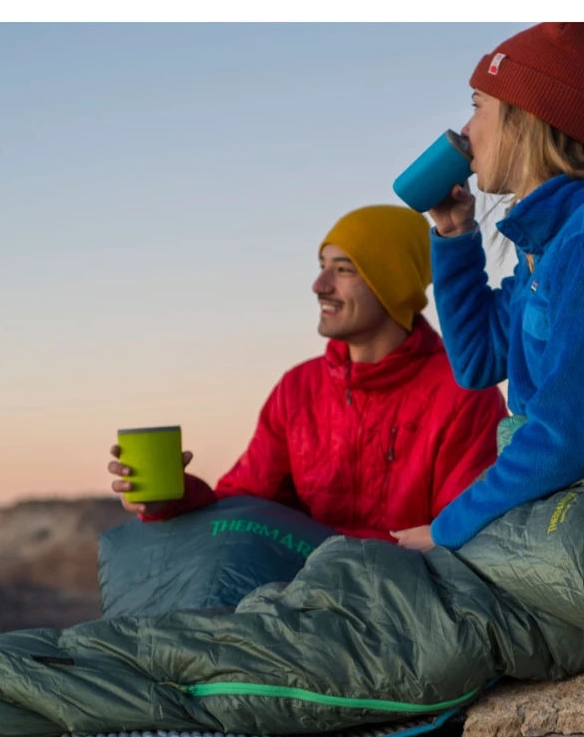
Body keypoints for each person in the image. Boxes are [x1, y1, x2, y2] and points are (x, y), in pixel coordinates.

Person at [396, 23, 584, 573]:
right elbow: (476, 361)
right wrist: (454, 234)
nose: (465, 130)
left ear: (524, 117)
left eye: (478, 105)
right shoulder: (549, 242)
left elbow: (564, 439)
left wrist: (445, 530)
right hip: (577, 523)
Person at [109, 205, 507, 539]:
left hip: (410, 601)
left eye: (344, 269)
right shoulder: (298, 390)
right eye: (322, 266)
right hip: (301, 600)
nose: (319, 285)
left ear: (395, 284)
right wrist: (173, 500)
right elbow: (245, 505)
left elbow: (465, 537)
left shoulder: (462, 392)